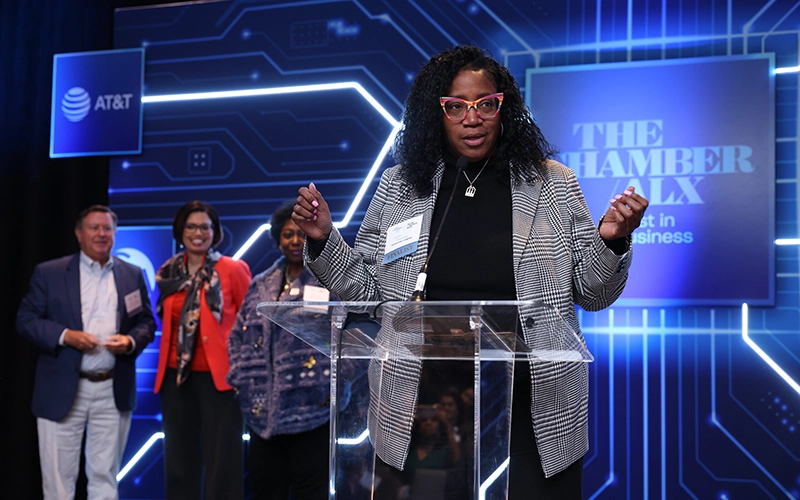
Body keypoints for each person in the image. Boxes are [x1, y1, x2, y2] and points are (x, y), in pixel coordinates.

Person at [292, 45, 648, 499]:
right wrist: (324, 239)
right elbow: (367, 292)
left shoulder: (552, 183)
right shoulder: (400, 187)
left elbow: (593, 292)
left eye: (485, 104)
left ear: (505, 108)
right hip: (421, 402)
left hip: (531, 405)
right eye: (455, 107)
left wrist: (612, 239)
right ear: (435, 113)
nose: (472, 118)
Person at [16, 204, 156, 500]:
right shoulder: (50, 272)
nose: (102, 234)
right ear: (79, 234)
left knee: (105, 478)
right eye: (94, 228)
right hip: (62, 387)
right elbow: (26, 320)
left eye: (108, 228)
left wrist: (130, 342)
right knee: (58, 483)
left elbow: (146, 322)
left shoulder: (132, 274)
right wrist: (66, 336)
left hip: (112, 387)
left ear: (115, 234)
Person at [227, 200, 332, 500]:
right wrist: (240, 376)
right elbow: (237, 335)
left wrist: (333, 378)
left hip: (312, 413)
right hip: (262, 416)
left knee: (311, 492)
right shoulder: (259, 284)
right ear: (277, 240)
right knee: (265, 491)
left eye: (301, 233)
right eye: (288, 234)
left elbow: (345, 334)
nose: (295, 241)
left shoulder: (326, 280)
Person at [153, 200, 252, 500]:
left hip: (219, 380)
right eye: (191, 226)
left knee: (223, 463)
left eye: (205, 227)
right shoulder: (168, 272)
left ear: (215, 232)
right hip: (175, 377)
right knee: (179, 463)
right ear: (180, 231)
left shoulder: (231, 269)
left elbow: (252, 321)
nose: (198, 233)